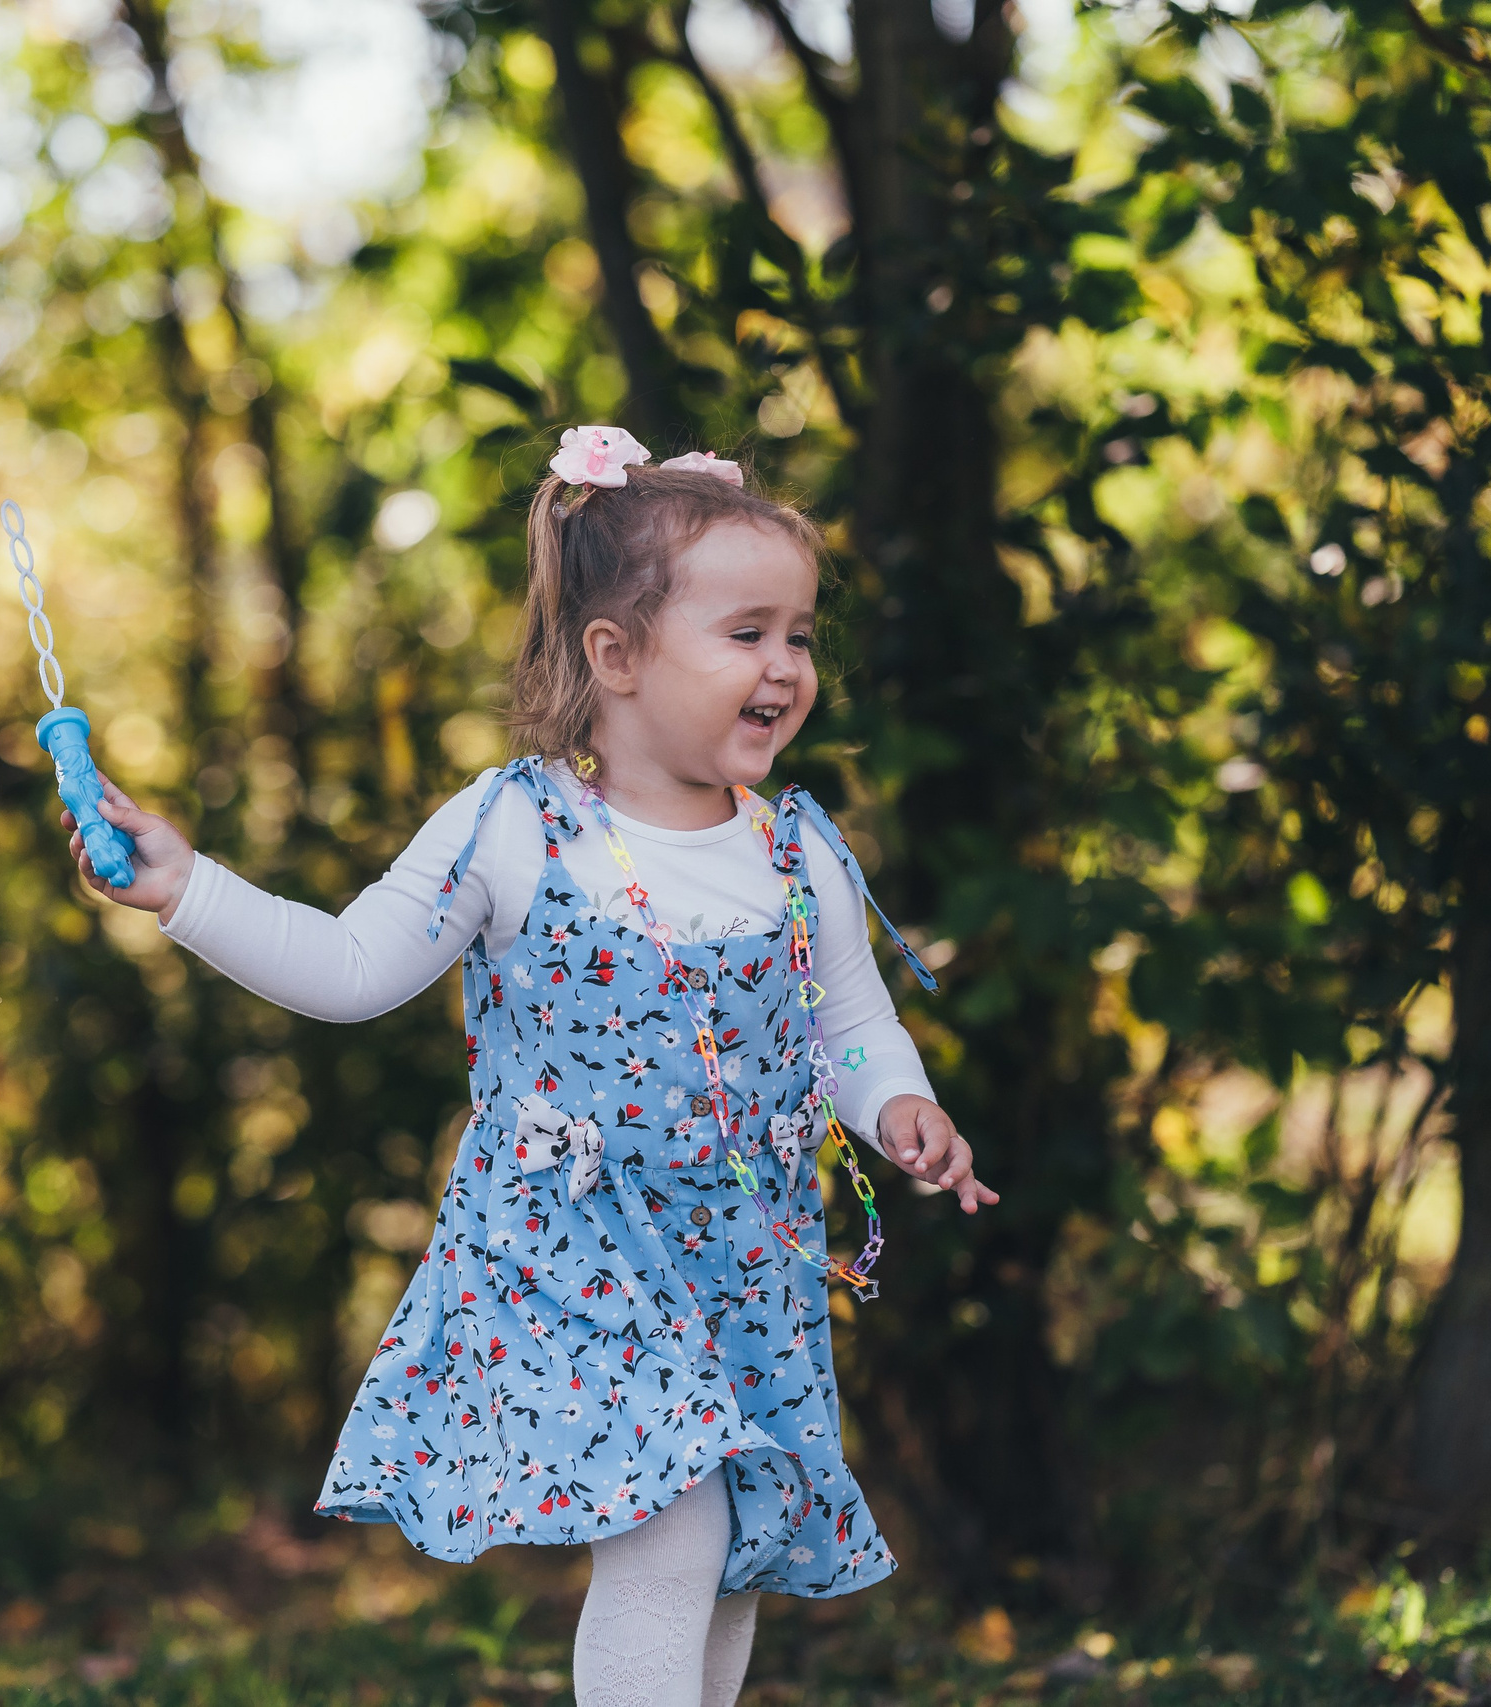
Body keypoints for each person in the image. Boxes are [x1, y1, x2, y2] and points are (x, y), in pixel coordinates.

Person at [64, 426, 995, 1707]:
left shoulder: (797, 851)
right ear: (613, 656)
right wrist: (187, 888)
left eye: (800, 636)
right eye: (746, 635)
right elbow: (347, 969)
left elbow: (847, 1017)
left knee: (733, 1550)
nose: (785, 667)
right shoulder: (514, 826)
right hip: (576, 1248)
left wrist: (899, 1105)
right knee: (674, 1534)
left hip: (745, 1251)